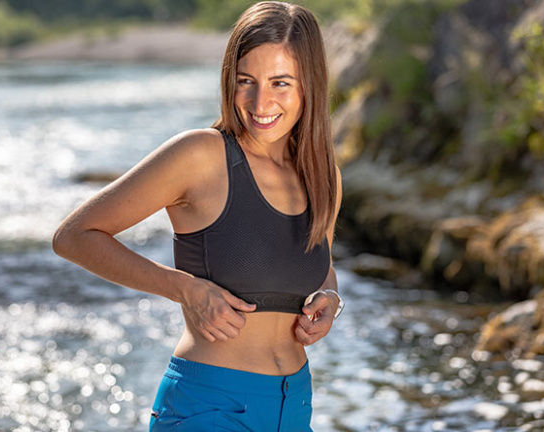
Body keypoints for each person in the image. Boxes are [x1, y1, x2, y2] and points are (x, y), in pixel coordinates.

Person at [52, 1, 343, 430]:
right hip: (209, 406)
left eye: (281, 83)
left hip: (294, 404)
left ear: (309, 87)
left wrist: (330, 301)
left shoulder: (323, 175)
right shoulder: (201, 155)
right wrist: (184, 289)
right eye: (246, 81)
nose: (261, 101)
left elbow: (319, 267)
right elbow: (74, 235)